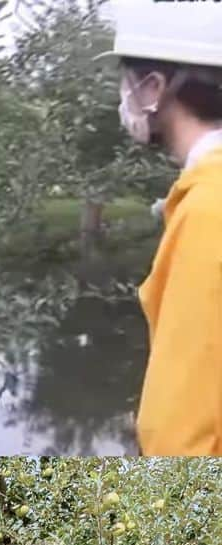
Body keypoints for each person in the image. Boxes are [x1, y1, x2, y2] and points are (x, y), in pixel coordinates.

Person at [103, 1, 222, 454]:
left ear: (153, 88)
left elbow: (182, 430)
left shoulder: (208, 209)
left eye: (128, 82)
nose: (124, 97)